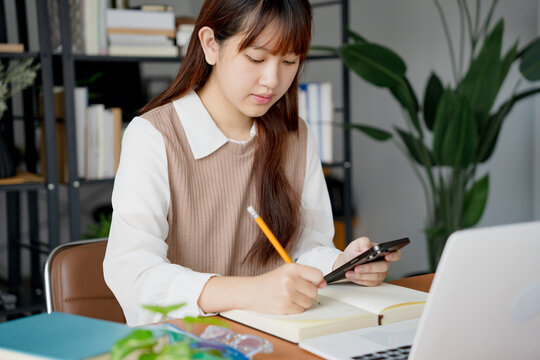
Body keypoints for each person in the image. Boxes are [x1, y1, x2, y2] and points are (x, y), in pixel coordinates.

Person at [103, 0, 402, 327]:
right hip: (187, 342)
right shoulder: (154, 136)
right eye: (256, 58)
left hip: (280, 335)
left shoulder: (296, 136)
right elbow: (133, 273)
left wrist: (344, 264)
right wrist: (249, 292)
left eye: (289, 61)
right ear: (210, 45)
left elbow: (307, 248)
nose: (272, 80)